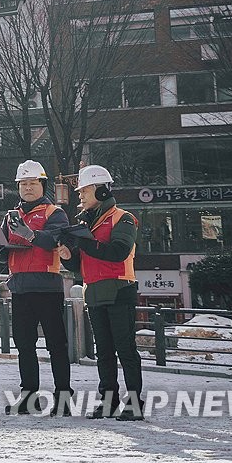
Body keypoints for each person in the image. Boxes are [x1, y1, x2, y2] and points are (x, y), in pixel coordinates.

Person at [0, 160, 73, 415]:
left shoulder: (54, 213)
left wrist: (30, 233)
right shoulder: (12, 216)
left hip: (47, 287)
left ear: (42, 185)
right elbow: (6, 253)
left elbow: (55, 240)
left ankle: (63, 397)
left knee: (56, 344)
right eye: (23, 184)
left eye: (33, 183)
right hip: (20, 288)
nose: (28, 188)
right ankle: (29, 396)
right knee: (24, 345)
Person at [64, 164, 144, 421]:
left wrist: (84, 241)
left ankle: (134, 404)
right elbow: (80, 264)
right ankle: (108, 402)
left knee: (126, 349)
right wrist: (67, 255)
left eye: (84, 190)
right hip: (95, 293)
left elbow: (118, 252)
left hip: (120, 290)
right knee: (105, 352)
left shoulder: (124, 218)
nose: (81, 196)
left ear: (100, 191)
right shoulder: (86, 224)